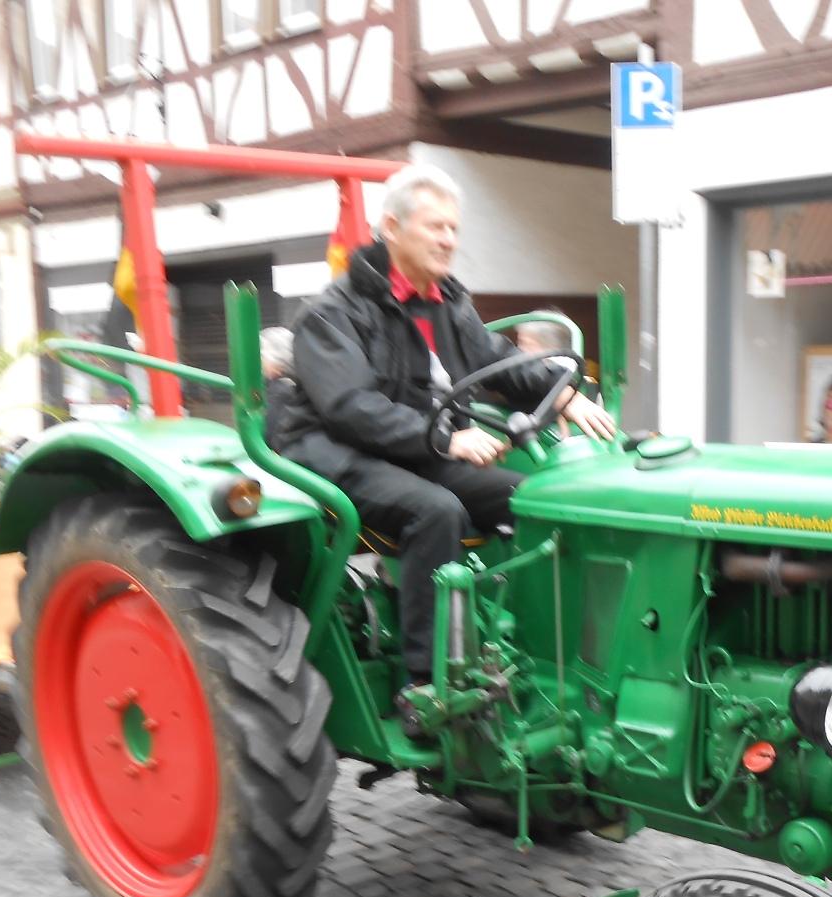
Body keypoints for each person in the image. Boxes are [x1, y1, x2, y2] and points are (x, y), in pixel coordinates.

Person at [273, 163, 616, 701]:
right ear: (392, 227)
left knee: (535, 499)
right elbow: (351, 407)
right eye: (436, 226)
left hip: (413, 449)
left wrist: (563, 393)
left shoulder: (447, 303)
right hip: (334, 451)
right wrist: (447, 441)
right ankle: (428, 681)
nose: (449, 239)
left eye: (453, 228)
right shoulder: (333, 313)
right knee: (435, 510)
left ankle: (538, 649)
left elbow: (498, 361)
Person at [259, 325, 299, 452]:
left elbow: (267, 435)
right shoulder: (294, 386)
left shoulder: (280, 391)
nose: (260, 361)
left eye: (263, 356)